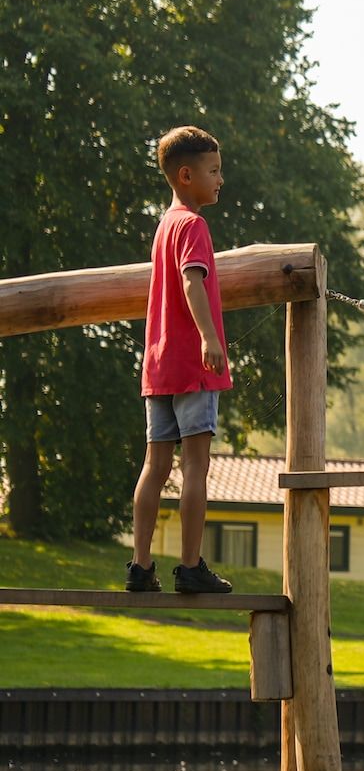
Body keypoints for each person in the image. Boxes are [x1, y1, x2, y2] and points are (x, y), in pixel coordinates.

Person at [127, 126, 235, 595]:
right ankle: (190, 567)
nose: (220, 180)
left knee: (155, 466)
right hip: (193, 364)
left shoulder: (165, 225)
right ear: (186, 175)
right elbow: (193, 283)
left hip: (158, 363)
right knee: (195, 467)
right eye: (213, 171)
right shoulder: (193, 225)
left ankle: (140, 566)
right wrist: (211, 338)